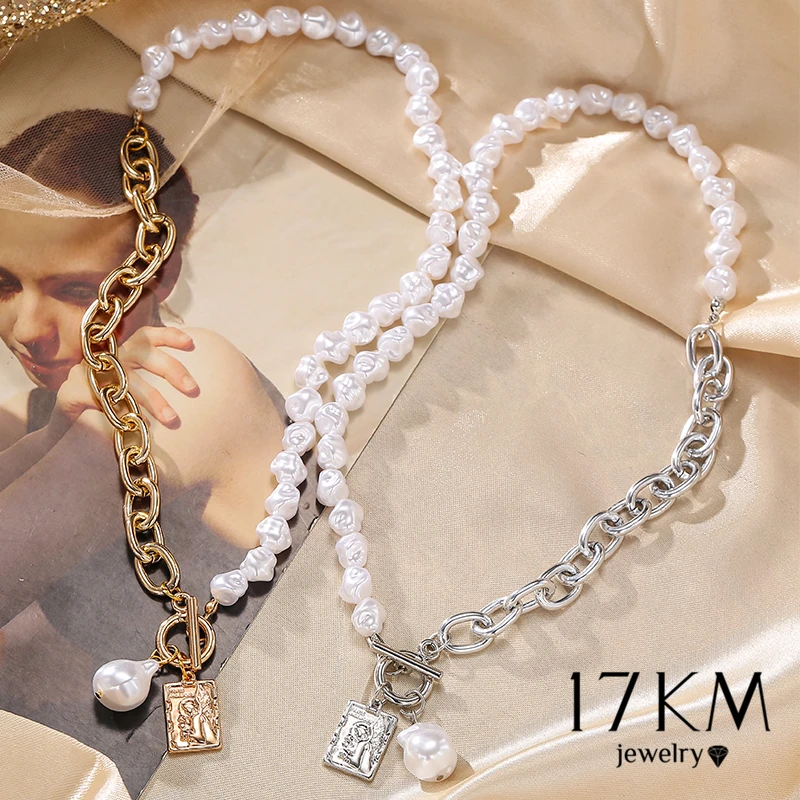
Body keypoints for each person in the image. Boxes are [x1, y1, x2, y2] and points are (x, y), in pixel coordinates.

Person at [0, 109, 316, 791]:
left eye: (75, 290)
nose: (26, 329)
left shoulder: (187, 382)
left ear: (160, 272)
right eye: (3, 283)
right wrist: (50, 436)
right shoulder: (51, 410)